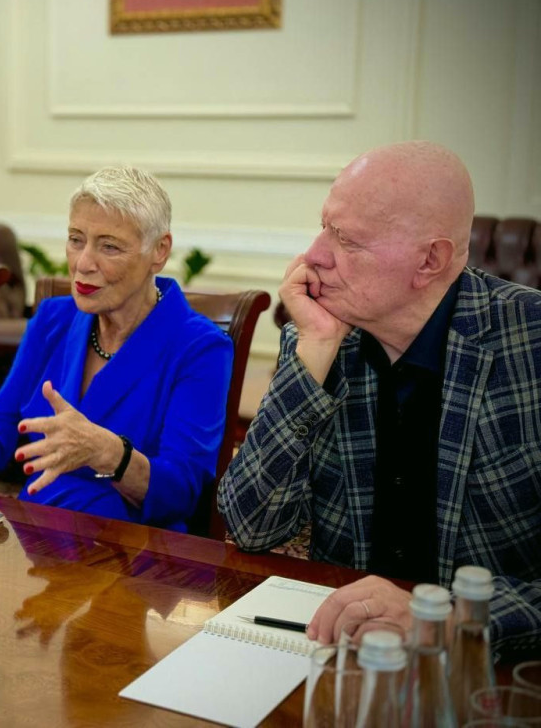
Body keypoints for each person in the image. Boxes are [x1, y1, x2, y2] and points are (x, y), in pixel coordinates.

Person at [218, 141, 541, 659]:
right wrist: (314, 349)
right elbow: (251, 527)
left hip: (490, 672)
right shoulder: (322, 337)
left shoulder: (530, 343)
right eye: (324, 227)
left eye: (346, 239)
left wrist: (446, 618)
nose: (313, 255)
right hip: (341, 652)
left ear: (430, 260)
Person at [0, 166, 233, 531]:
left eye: (109, 246)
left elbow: (181, 492)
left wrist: (109, 453)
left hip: (132, 549)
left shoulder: (200, 347)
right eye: (76, 240)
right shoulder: (53, 319)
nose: (83, 263)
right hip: (35, 538)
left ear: (159, 251)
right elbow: (2, 432)